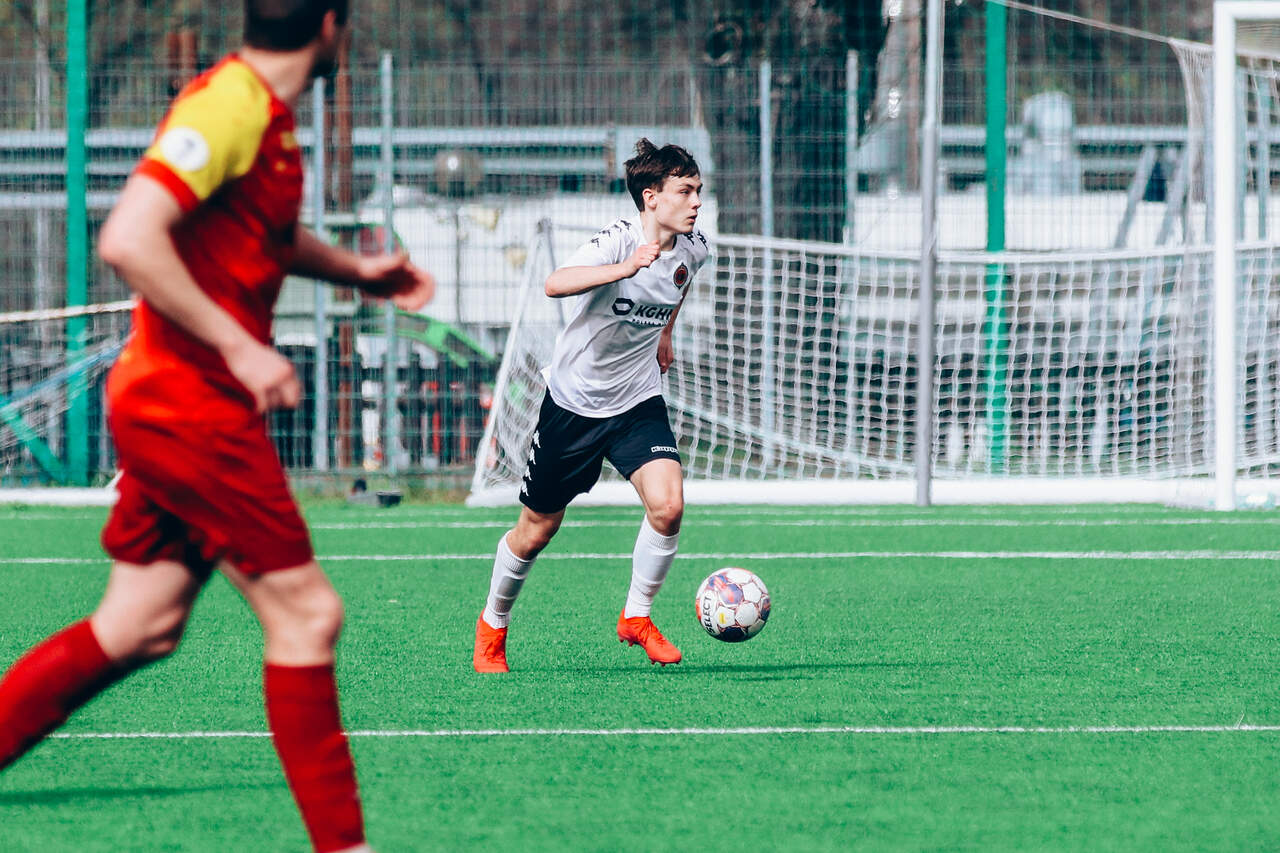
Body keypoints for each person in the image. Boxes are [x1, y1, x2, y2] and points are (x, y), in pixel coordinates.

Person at [0, 2, 434, 851]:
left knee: (139, 625)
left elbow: (260, 233)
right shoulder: (229, 105)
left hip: (182, 402)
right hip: (185, 404)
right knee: (307, 613)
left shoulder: (259, 113)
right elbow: (130, 237)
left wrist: (357, 271)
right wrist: (240, 346)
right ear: (331, 25)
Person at [473, 138, 709, 673]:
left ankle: (637, 616)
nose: (696, 202)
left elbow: (679, 286)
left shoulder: (694, 248)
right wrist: (624, 268)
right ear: (651, 197)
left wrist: (665, 333)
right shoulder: (617, 240)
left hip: (637, 401)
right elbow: (556, 283)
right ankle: (492, 626)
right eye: (685, 191)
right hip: (574, 406)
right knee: (536, 530)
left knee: (669, 506)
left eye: (699, 190)